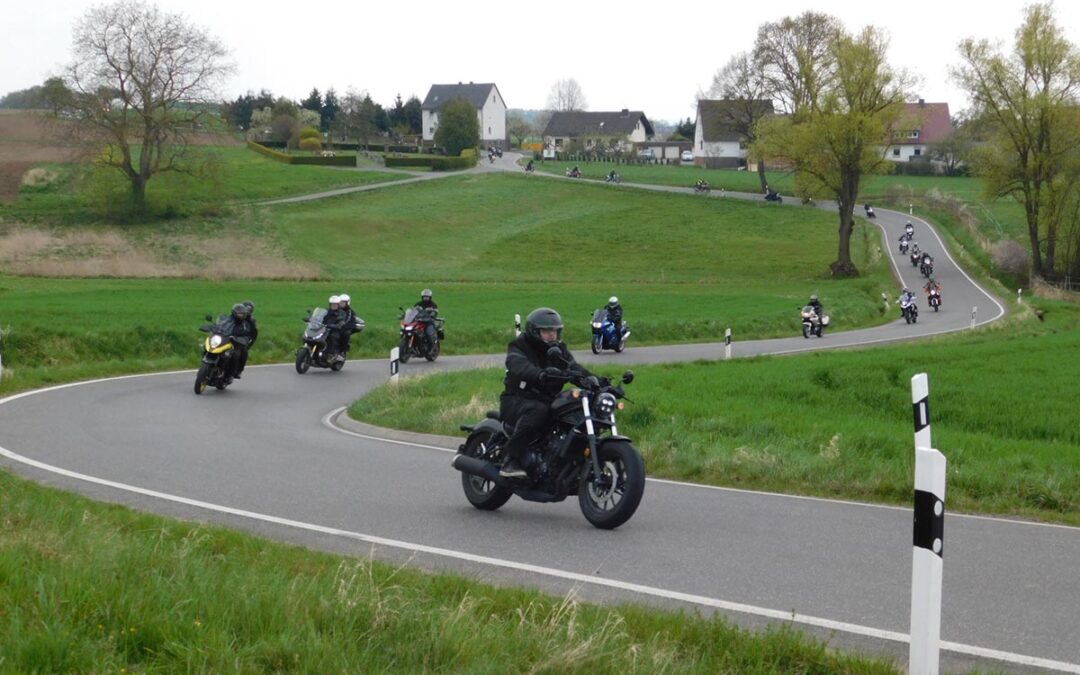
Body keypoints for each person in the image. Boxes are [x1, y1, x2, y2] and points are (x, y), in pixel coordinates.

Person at [499, 307, 598, 478]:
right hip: (517, 399)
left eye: (555, 331)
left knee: (571, 410)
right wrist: (540, 374)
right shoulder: (520, 345)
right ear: (535, 332)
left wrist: (597, 382)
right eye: (547, 331)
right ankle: (510, 459)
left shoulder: (559, 349)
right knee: (538, 412)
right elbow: (517, 364)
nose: (552, 335)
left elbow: (573, 368)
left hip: (546, 399)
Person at [227, 302, 257, 379]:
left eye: (249, 310)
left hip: (241, 339)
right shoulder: (231, 318)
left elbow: (253, 334)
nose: (247, 311)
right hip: (228, 336)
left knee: (242, 352)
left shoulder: (250, 321)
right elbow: (224, 324)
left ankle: (238, 371)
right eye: (246, 309)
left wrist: (248, 342)